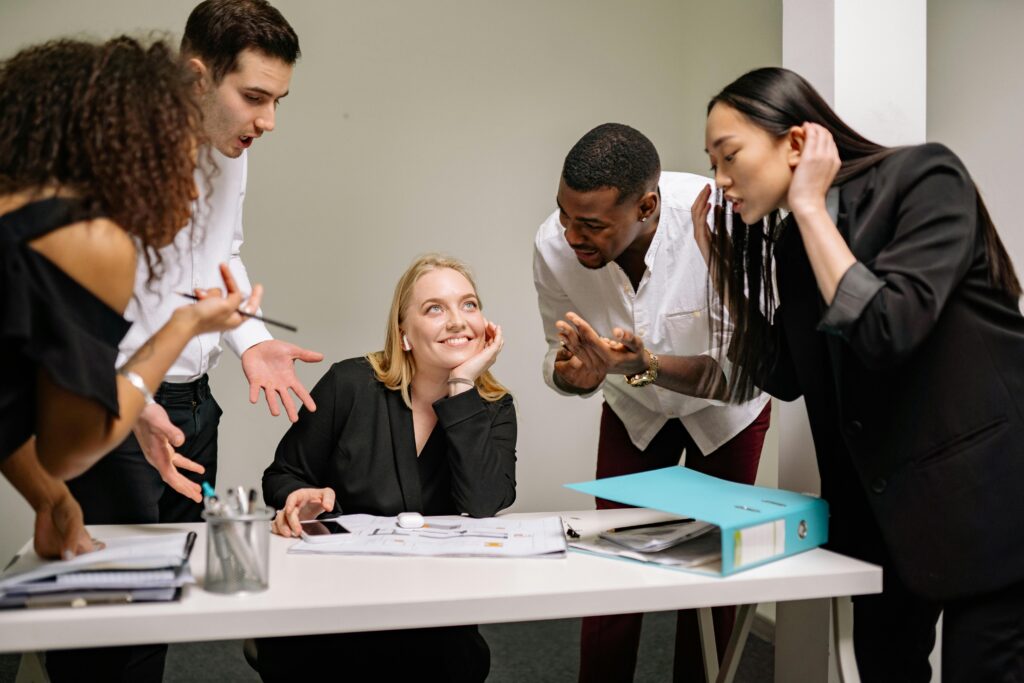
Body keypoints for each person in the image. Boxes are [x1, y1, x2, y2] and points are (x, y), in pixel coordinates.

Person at [697, 67, 1024, 682]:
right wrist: (721, 267)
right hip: (883, 518)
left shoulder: (925, 177)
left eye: (729, 155)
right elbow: (788, 375)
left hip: (987, 500)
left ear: (796, 142)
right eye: (712, 163)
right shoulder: (794, 244)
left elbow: (886, 329)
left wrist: (808, 208)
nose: (720, 180)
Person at [47, 2, 312, 680]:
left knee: (167, 599)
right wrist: (128, 397)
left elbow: (224, 255)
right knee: (112, 621)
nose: (268, 122)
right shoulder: (111, 154)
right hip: (119, 402)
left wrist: (252, 340)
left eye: (278, 101)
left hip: (196, 404)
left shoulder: (232, 151)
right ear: (197, 78)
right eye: (254, 97)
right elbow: (67, 304)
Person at [0, 37, 256, 563]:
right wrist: (183, 326)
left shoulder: (21, 220)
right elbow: (68, 451)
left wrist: (53, 500)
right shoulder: (88, 242)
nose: (192, 192)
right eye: (180, 162)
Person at [533, 123, 771, 683]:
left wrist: (647, 364)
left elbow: (740, 375)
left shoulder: (720, 224)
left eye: (592, 225)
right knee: (612, 564)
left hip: (727, 416)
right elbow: (558, 356)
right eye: (565, 215)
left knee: (713, 572)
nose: (571, 235)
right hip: (634, 410)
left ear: (646, 206)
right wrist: (575, 376)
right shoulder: (552, 244)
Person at [257, 254, 516, 682]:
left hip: (433, 615)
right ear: (404, 334)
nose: (458, 321)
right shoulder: (350, 384)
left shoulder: (494, 407)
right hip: (335, 605)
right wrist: (298, 499)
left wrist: (462, 386)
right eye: (435, 308)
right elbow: (283, 475)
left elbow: (484, 501)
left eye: (468, 304)